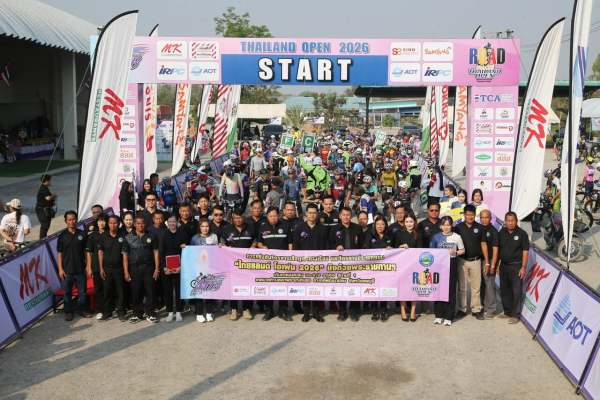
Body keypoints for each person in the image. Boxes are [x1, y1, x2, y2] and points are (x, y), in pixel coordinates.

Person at [256, 207, 293, 321]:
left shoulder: (285, 226)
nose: (273, 218)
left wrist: (290, 256)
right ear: (267, 216)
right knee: (268, 286)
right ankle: (269, 311)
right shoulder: (262, 227)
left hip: (283, 263)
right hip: (268, 263)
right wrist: (262, 247)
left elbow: (290, 243)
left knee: (283, 286)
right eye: (271, 216)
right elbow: (259, 243)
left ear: (279, 215)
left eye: (275, 216)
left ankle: (283, 310)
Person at [293, 203, 327, 322]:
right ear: (306, 214)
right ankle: (306, 312)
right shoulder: (299, 228)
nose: (312, 215)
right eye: (310, 213)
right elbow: (296, 247)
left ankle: (316, 312)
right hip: (304, 265)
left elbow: (327, 247)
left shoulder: (323, 228)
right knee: (305, 288)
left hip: (319, 265)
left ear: (317, 214)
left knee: (317, 288)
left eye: (314, 213)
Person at [454, 204, 489, 320]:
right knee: (462, 286)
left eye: (472, 214)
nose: (470, 216)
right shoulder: (458, 228)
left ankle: (476, 309)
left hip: (476, 261)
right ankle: (462, 309)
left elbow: (483, 244)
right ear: (464, 215)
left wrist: (487, 261)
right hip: (462, 261)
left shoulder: (480, 228)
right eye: (467, 214)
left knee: (476, 287)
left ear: (475, 215)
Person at [56, 211, 91, 321]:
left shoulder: (82, 234)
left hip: (80, 269)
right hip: (67, 270)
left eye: (73, 219)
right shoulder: (62, 236)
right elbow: (59, 254)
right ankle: (68, 312)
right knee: (67, 292)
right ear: (66, 221)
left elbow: (87, 252)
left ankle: (82, 310)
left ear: (76, 219)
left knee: (82, 292)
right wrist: (60, 269)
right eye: (69, 219)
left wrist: (88, 266)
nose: (72, 221)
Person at [329, 207, 362, 321]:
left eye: (348, 215)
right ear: (340, 216)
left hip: (355, 263)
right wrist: (336, 246)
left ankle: (354, 311)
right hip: (340, 264)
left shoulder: (357, 228)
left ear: (351, 216)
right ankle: (342, 311)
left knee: (355, 286)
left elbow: (362, 245)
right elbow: (329, 244)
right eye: (344, 215)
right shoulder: (334, 229)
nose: (346, 217)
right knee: (341, 287)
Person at [221, 209, 255, 320]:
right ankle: (234, 309)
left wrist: (253, 247)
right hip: (232, 263)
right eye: (235, 218)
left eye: (240, 217)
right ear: (232, 219)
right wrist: (224, 246)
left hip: (247, 263)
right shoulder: (227, 229)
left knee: (247, 285)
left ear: (243, 217)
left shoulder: (250, 227)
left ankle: (246, 309)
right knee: (233, 286)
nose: (238, 220)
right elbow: (222, 242)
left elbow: (255, 240)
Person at [125, 216, 160, 323]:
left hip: (149, 268)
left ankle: (150, 313)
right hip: (134, 268)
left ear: (145, 224)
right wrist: (126, 271)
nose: (140, 225)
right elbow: (125, 255)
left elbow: (156, 252)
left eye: (142, 223)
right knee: (136, 292)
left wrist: (157, 268)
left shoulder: (151, 236)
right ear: (134, 224)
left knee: (150, 291)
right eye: (138, 223)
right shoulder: (128, 237)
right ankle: (137, 314)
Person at [430, 216, 464, 326]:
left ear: (451, 225)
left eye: (448, 225)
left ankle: (449, 317)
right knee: (438, 289)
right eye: (444, 225)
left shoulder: (457, 237)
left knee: (450, 290)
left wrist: (456, 252)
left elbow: (462, 250)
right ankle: (438, 315)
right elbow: (431, 251)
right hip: (438, 265)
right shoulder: (436, 237)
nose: (446, 227)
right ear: (440, 226)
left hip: (451, 263)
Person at [497, 212, 529, 324]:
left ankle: (515, 315)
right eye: (508, 221)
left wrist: (523, 267)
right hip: (503, 266)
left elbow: (525, 251)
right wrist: (498, 264)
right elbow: (499, 250)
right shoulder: (501, 233)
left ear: (516, 221)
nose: (510, 223)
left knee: (516, 291)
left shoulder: (522, 234)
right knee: (504, 290)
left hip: (516, 266)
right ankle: (507, 312)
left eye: (512, 220)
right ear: (505, 221)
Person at [97, 215, 129, 321]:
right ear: (108, 224)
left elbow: (125, 255)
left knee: (120, 291)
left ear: (119, 224)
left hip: (119, 269)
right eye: (110, 223)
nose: (113, 225)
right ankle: (107, 312)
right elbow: (100, 253)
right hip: (106, 269)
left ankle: (121, 312)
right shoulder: (103, 236)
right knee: (107, 291)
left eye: (115, 223)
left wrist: (126, 271)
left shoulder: (123, 236)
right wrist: (101, 268)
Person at [363, 215, 394, 321]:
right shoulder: (370, 235)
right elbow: (365, 249)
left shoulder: (390, 236)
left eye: (382, 224)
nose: (380, 226)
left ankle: (384, 310)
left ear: (386, 225)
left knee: (384, 288)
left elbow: (397, 250)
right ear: (374, 225)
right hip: (373, 268)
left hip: (386, 268)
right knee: (374, 289)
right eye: (378, 224)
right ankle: (375, 310)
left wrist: (392, 249)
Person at [161, 215, 188, 322]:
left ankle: (179, 312)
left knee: (179, 290)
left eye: (174, 221)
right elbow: (161, 252)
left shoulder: (182, 234)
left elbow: (186, 252)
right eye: (170, 221)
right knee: (167, 291)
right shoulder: (163, 234)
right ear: (167, 223)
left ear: (177, 222)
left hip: (179, 267)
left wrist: (182, 267)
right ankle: (170, 312)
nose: (172, 223)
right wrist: (164, 267)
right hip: (167, 268)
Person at [191, 219, 218, 323]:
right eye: (203, 226)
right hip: (198, 268)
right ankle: (199, 313)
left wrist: (220, 247)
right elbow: (191, 252)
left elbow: (216, 251)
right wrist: (185, 248)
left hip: (210, 267)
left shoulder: (214, 236)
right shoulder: (195, 238)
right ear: (199, 227)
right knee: (199, 291)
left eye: (207, 226)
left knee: (209, 291)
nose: (205, 228)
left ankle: (209, 313)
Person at [395, 211, 419, 322]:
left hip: (414, 266)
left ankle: (413, 311)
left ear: (414, 222)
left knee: (414, 288)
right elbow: (394, 249)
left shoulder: (418, 234)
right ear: (404, 223)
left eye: (411, 221)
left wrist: (411, 249)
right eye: (407, 222)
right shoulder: (399, 234)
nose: (409, 224)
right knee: (403, 288)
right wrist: (400, 247)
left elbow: (421, 250)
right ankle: (403, 310)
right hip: (402, 266)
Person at [85, 215, 107, 319]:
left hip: (108, 266)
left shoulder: (110, 233)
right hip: (96, 266)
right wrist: (89, 267)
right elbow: (89, 252)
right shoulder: (92, 236)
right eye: (99, 221)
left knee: (109, 288)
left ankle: (110, 308)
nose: (101, 223)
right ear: (97, 223)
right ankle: (100, 309)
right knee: (98, 288)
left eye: (103, 221)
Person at [479, 209, 499, 319]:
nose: (484, 219)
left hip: (490, 261)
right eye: (482, 217)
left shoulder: (493, 231)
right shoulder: (479, 228)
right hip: (479, 260)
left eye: (486, 217)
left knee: (490, 284)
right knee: (482, 284)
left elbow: (495, 250)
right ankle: (483, 306)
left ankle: (491, 309)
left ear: (490, 218)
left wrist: (492, 265)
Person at [35, 174, 56, 239]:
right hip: (42, 210)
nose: (50, 182)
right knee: (45, 225)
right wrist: (54, 196)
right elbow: (48, 198)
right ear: (46, 181)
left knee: (46, 225)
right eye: (50, 180)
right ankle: (42, 240)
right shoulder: (43, 188)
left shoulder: (45, 188)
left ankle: (43, 238)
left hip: (45, 210)